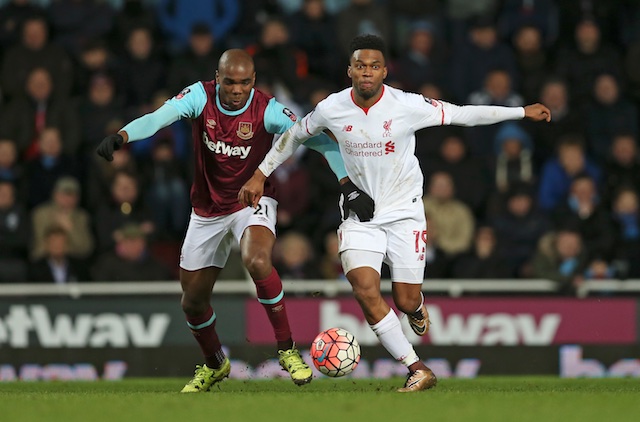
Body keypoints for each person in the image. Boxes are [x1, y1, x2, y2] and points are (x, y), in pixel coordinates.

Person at [239, 34, 551, 392]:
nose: (367, 72)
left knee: (404, 299)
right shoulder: (332, 108)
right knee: (364, 288)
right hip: (362, 219)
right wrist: (261, 174)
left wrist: (521, 111)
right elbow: (294, 135)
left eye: (374, 66)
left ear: (384, 71)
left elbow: (462, 114)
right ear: (350, 70)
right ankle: (417, 368)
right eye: (360, 66)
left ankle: (415, 308)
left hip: (405, 215)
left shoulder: (406, 105)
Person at [96, 49, 373, 392]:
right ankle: (215, 364)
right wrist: (122, 136)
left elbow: (319, 142)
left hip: (251, 200)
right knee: (192, 302)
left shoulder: (268, 110)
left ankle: (287, 350)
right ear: (217, 78)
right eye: (229, 82)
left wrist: (346, 184)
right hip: (207, 209)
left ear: (253, 81)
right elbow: (158, 117)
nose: (237, 89)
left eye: (244, 83)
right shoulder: (199, 96)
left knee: (257, 260)